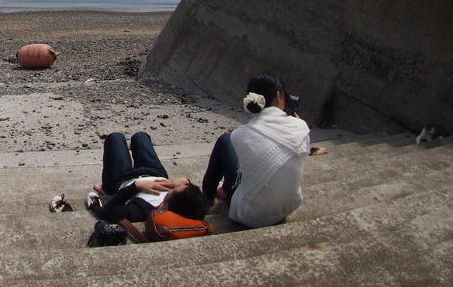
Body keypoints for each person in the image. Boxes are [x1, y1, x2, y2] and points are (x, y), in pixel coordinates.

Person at [200, 73, 311, 228]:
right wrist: (298, 124)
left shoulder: (240, 135)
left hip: (250, 216)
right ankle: (221, 191)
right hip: (285, 209)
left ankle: (209, 196)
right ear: (279, 95)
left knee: (225, 140)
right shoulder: (301, 127)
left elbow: (243, 170)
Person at [89, 131, 208, 223]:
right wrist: (187, 182)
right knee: (141, 136)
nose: (172, 188)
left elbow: (108, 212)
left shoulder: (141, 211)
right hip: (156, 173)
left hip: (126, 179)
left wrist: (136, 186)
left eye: (172, 191)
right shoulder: (190, 204)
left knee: (115, 138)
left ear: (165, 206)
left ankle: (107, 189)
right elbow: (202, 203)